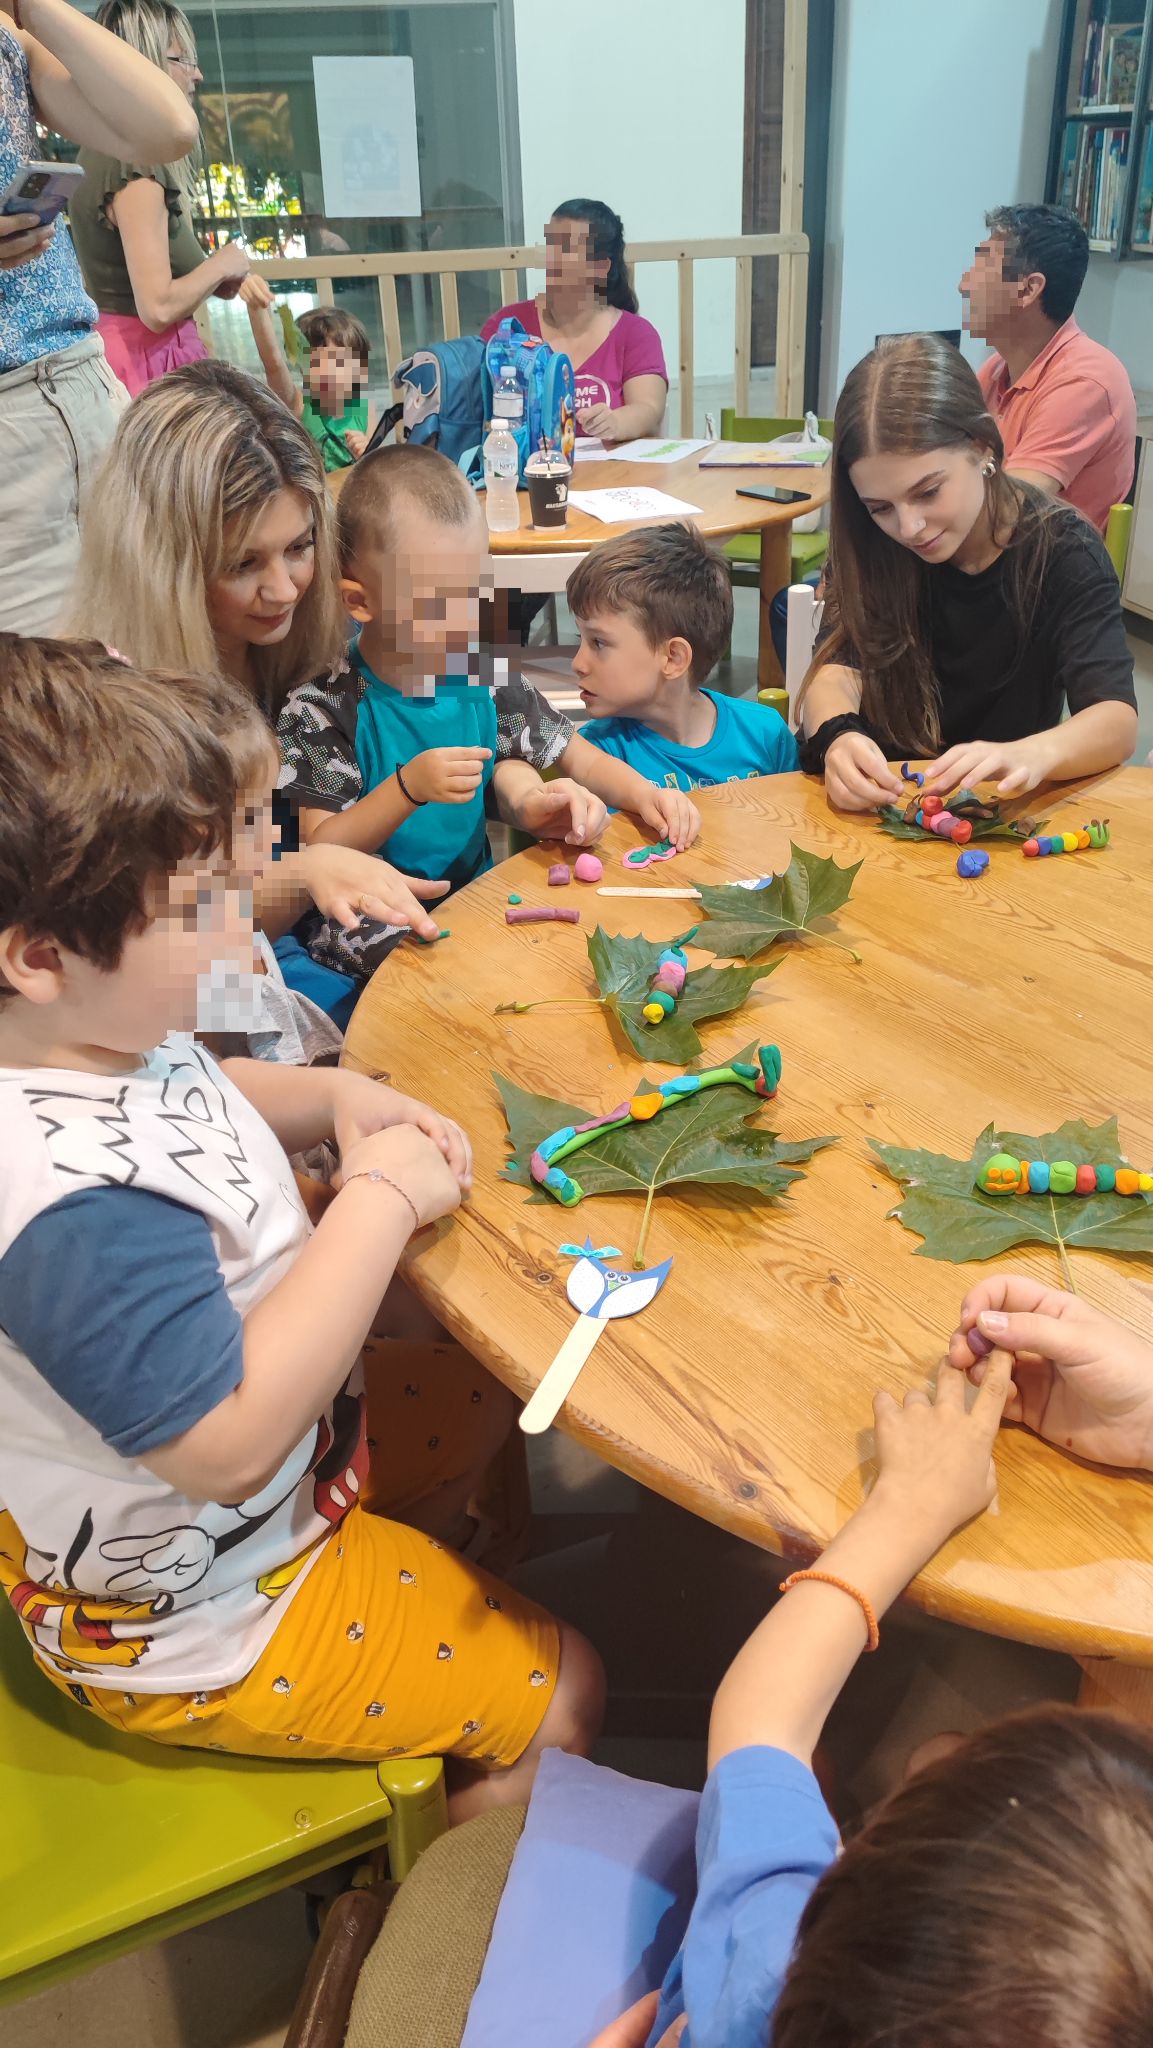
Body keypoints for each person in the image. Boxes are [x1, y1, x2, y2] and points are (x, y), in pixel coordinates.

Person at [0, 635, 605, 1817]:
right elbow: (224, 1442)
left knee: (482, 1382)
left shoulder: (89, 1028)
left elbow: (199, 1087)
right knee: (572, 1689)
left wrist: (328, 1099)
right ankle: (426, 1881)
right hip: (204, 1613)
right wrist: (374, 1197)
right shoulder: (70, 1209)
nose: (245, 936)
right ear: (37, 955)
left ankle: (416, 1604)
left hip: (286, 1482)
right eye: (202, 908)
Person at [573, 1276, 1153, 2046]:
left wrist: (907, 1505)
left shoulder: (760, 1990)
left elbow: (762, 1720)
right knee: (939, 1754)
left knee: (930, 1755)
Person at [61, 360, 463, 1025]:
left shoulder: (332, 642)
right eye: (243, 563)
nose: (283, 590)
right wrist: (304, 873)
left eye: (300, 547)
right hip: (217, 999)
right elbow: (158, 952)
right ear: (165, 564)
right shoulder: (119, 713)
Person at [275, 445, 701, 984]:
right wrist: (408, 788)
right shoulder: (320, 706)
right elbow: (323, 848)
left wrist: (646, 795)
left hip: (473, 907)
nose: (466, 625)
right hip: (363, 929)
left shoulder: (479, 671)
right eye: (438, 606)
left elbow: (579, 756)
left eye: (476, 593)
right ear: (360, 602)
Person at [796, 333, 1138, 812]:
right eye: (880, 507)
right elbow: (836, 668)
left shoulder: (1063, 551)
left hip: (992, 811)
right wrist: (838, 736)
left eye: (928, 492)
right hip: (878, 805)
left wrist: (1032, 753)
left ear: (983, 446)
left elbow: (1115, 718)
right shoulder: (871, 541)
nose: (909, 528)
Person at [0, 0, 196, 632]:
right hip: (14, 429)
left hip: (87, 387)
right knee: (45, 687)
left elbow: (169, 127)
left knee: (148, 659)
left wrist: (30, 7)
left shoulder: (11, 35)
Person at [67, 0, 265, 398]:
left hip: (129, 357)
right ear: (146, 63)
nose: (197, 74)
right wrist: (223, 262)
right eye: (183, 60)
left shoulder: (102, 147)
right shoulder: (136, 161)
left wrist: (211, 279)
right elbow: (157, 308)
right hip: (148, 365)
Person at [569, 523, 798, 791]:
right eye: (581, 639)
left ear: (673, 658)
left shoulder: (765, 734)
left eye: (598, 643)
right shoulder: (593, 757)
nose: (577, 664)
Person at [961, 203, 1136, 535]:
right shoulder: (998, 368)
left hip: (1038, 561)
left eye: (981, 268)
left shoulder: (1085, 380)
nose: (964, 285)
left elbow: (1005, 513)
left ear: (1028, 290)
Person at [481, 198, 667, 442]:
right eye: (551, 244)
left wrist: (615, 422)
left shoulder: (636, 334)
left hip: (613, 465)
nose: (552, 257)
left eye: (566, 247)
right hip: (525, 465)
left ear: (600, 267)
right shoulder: (508, 326)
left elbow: (649, 408)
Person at [248, 300, 376, 470]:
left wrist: (367, 455)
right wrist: (257, 308)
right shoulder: (299, 405)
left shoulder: (364, 409)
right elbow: (273, 363)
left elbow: (375, 469)